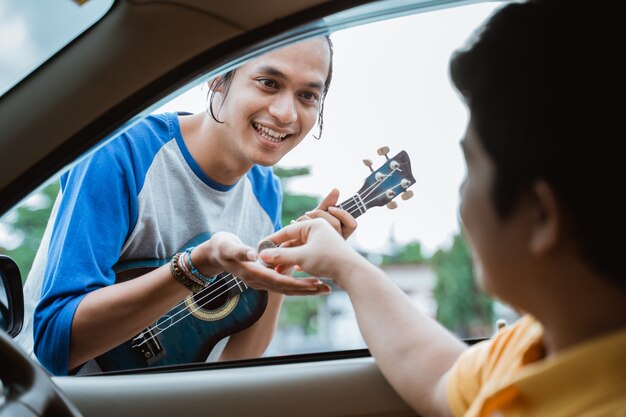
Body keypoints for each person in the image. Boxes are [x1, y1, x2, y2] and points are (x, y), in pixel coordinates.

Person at [257, 1, 626, 416]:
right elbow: (439, 377)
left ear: (542, 215)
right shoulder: (537, 345)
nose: (462, 205)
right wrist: (344, 264)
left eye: (471, 169)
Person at [16, 36, 357, 376]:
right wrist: (195, 267)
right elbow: (54, 344)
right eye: (268, 83)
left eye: (308, 96)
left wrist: (286, 261)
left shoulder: (266, 192)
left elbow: (238, 362)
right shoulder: (122, 153)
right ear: (217, 75)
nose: (286, 113)